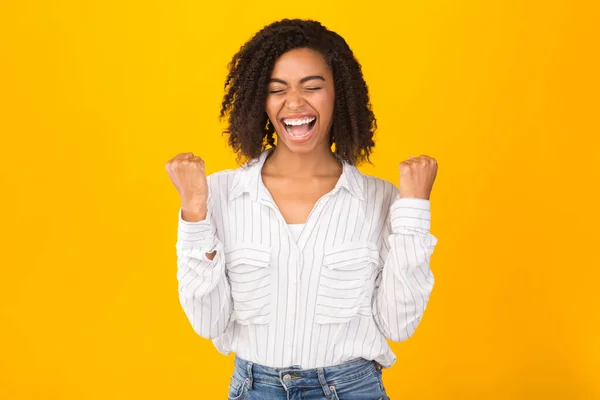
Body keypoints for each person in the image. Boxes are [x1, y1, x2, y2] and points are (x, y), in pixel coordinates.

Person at [165, 18, 439, 400]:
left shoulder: (381, 200)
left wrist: (413, 210)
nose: (294, 103)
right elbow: (208, 322)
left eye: (312, 87)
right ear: (261, 100)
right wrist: (195, 211)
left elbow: (399, 325)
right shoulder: (220, 194)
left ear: (338, 94)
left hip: (351, 389)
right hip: (254, 388)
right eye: (277, 90)